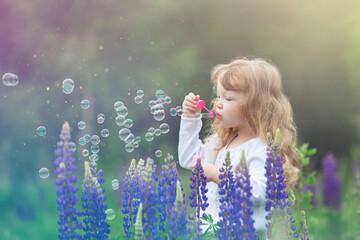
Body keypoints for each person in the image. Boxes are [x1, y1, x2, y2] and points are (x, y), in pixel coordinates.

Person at [178, 58, 301, 238]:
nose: (218, 103)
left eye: (228, 98)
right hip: (212, 233)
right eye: (218, 96)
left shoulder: (261, 148)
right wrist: (190, 118)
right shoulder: (222, 141)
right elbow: (189, 160)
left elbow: (259, 192)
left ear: (255, 107)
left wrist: (216, 174)